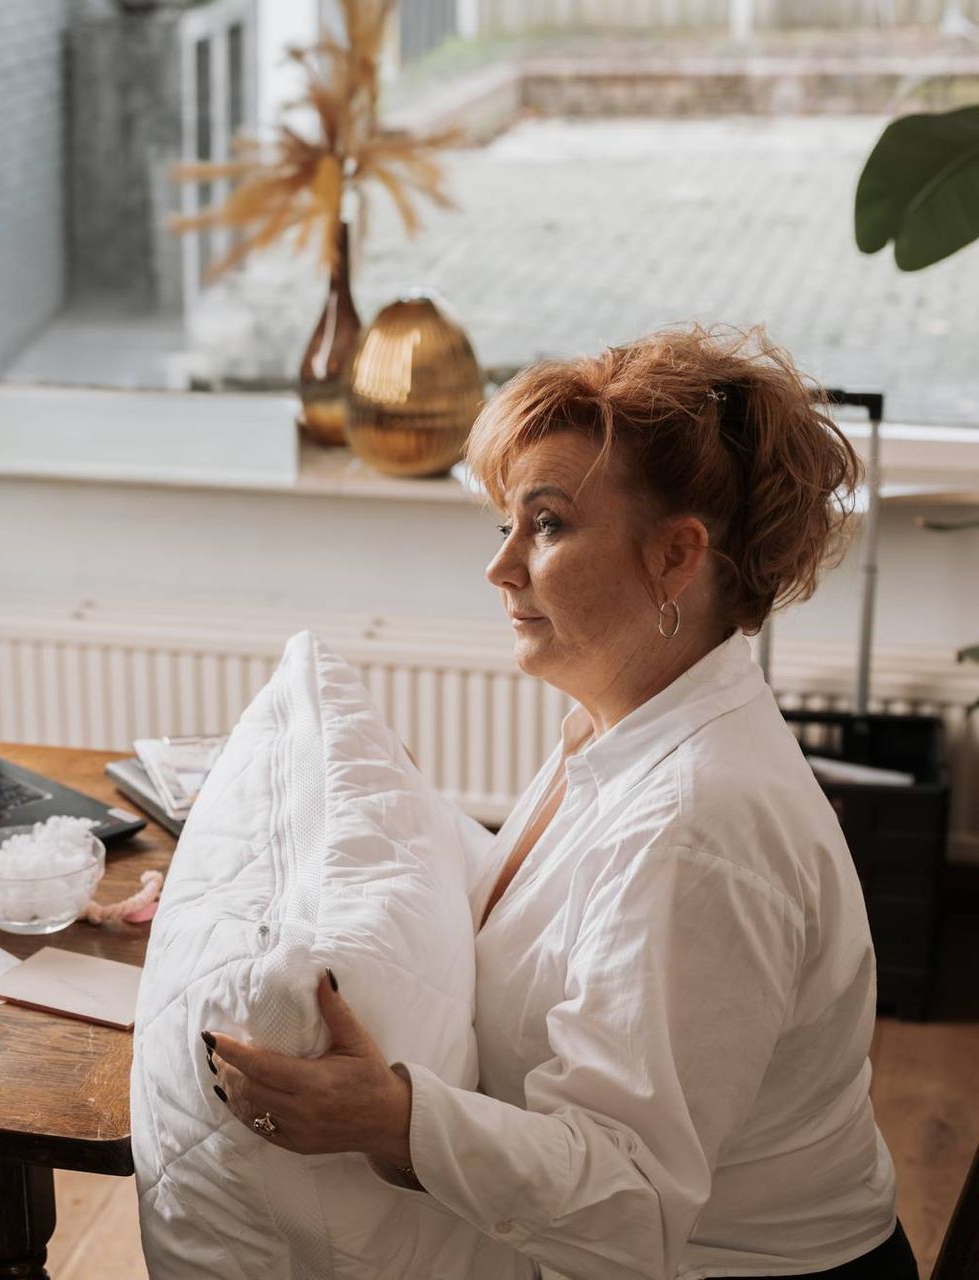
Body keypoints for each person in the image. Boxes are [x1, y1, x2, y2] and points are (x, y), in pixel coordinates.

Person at [204, 328, 914, 1277]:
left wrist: (389, 1119)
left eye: (545, 525)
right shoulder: (621, 724)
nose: (500, 569)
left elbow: (630, 1196)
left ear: (676, 556)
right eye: (505, 525)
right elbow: (541, 908)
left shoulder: (698, 826)